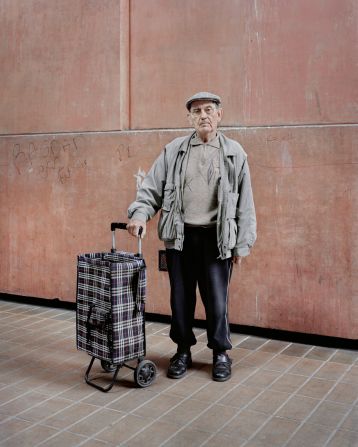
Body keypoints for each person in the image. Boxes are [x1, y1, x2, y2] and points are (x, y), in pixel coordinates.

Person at [127, 92, 256, 382]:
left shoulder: (235, 153)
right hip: (180, 237)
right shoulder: (174, 150)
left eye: (209, 110)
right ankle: (182, 350)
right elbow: (151, 188)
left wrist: (241, 244)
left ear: (219, 115)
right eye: (196, 111)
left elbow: (245, 203)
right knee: (181, 299)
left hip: (217, 239)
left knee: (217, 302)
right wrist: (139, 214)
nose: (203, 116)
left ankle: (220, 352)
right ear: (189, 118)